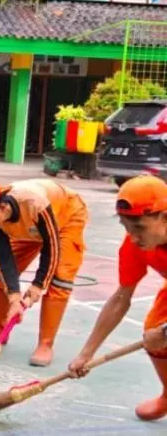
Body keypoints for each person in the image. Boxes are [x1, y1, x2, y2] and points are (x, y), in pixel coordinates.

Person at [0, 178, 88, 367]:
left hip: (65, 217)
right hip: (28, 227)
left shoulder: (35, 204)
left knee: (60, 277)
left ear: (3, 208)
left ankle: (45, 344)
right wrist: (14, 298)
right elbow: (4, 257)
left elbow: (51, 249)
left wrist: (37, 286)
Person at [68, 175, 167, 421]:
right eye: (126, 227)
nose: (133, 237)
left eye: (139, 227)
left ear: (164, 217)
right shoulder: (135, 244)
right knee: (153, 329)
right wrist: (86, 354)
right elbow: (121, 297)